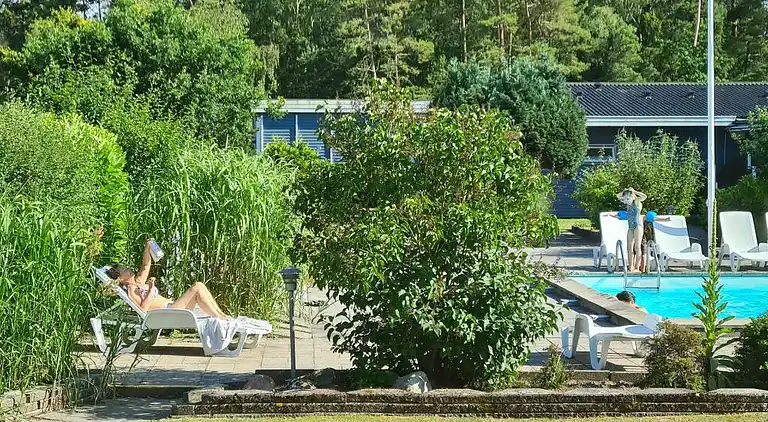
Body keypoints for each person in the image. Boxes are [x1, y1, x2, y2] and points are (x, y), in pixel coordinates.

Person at [106, 239, 227, 318]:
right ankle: (221, 319)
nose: (128, 269)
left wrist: (147, 247)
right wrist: (151, 289)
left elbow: (146, 265)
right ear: (120, 278)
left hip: (171, 306)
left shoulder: (138, 282)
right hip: (169, 312)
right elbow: (143, 309)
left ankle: (222, 316)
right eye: (124, 270)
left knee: (200, 285)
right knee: (197, 288)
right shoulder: (131, 291)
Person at [616, 187, 647, 272]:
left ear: (632, 196)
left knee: (637, 246)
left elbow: (644, 196)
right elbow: (618, 196)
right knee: (629, 247)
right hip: (631, 227)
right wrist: (624, 191)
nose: (626, 198)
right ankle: (631, 266)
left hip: (638, 226)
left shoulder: (637, 201)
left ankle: (637, 267)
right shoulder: (628, 204)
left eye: (628, 196)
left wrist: (634, 191)